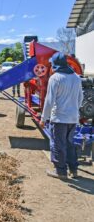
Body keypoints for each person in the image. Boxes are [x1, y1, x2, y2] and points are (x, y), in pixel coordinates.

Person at [40, 52, 83, 180]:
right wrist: (74, 110)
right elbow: (80, 98)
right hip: (73, 118)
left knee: (58, 145)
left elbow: (49, 101)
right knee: (70, 144)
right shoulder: (76, 77)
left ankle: (61, 171)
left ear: (56, 65)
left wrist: (43, 118)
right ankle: (73, 170)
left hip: (59, 119)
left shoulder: (55, 78)